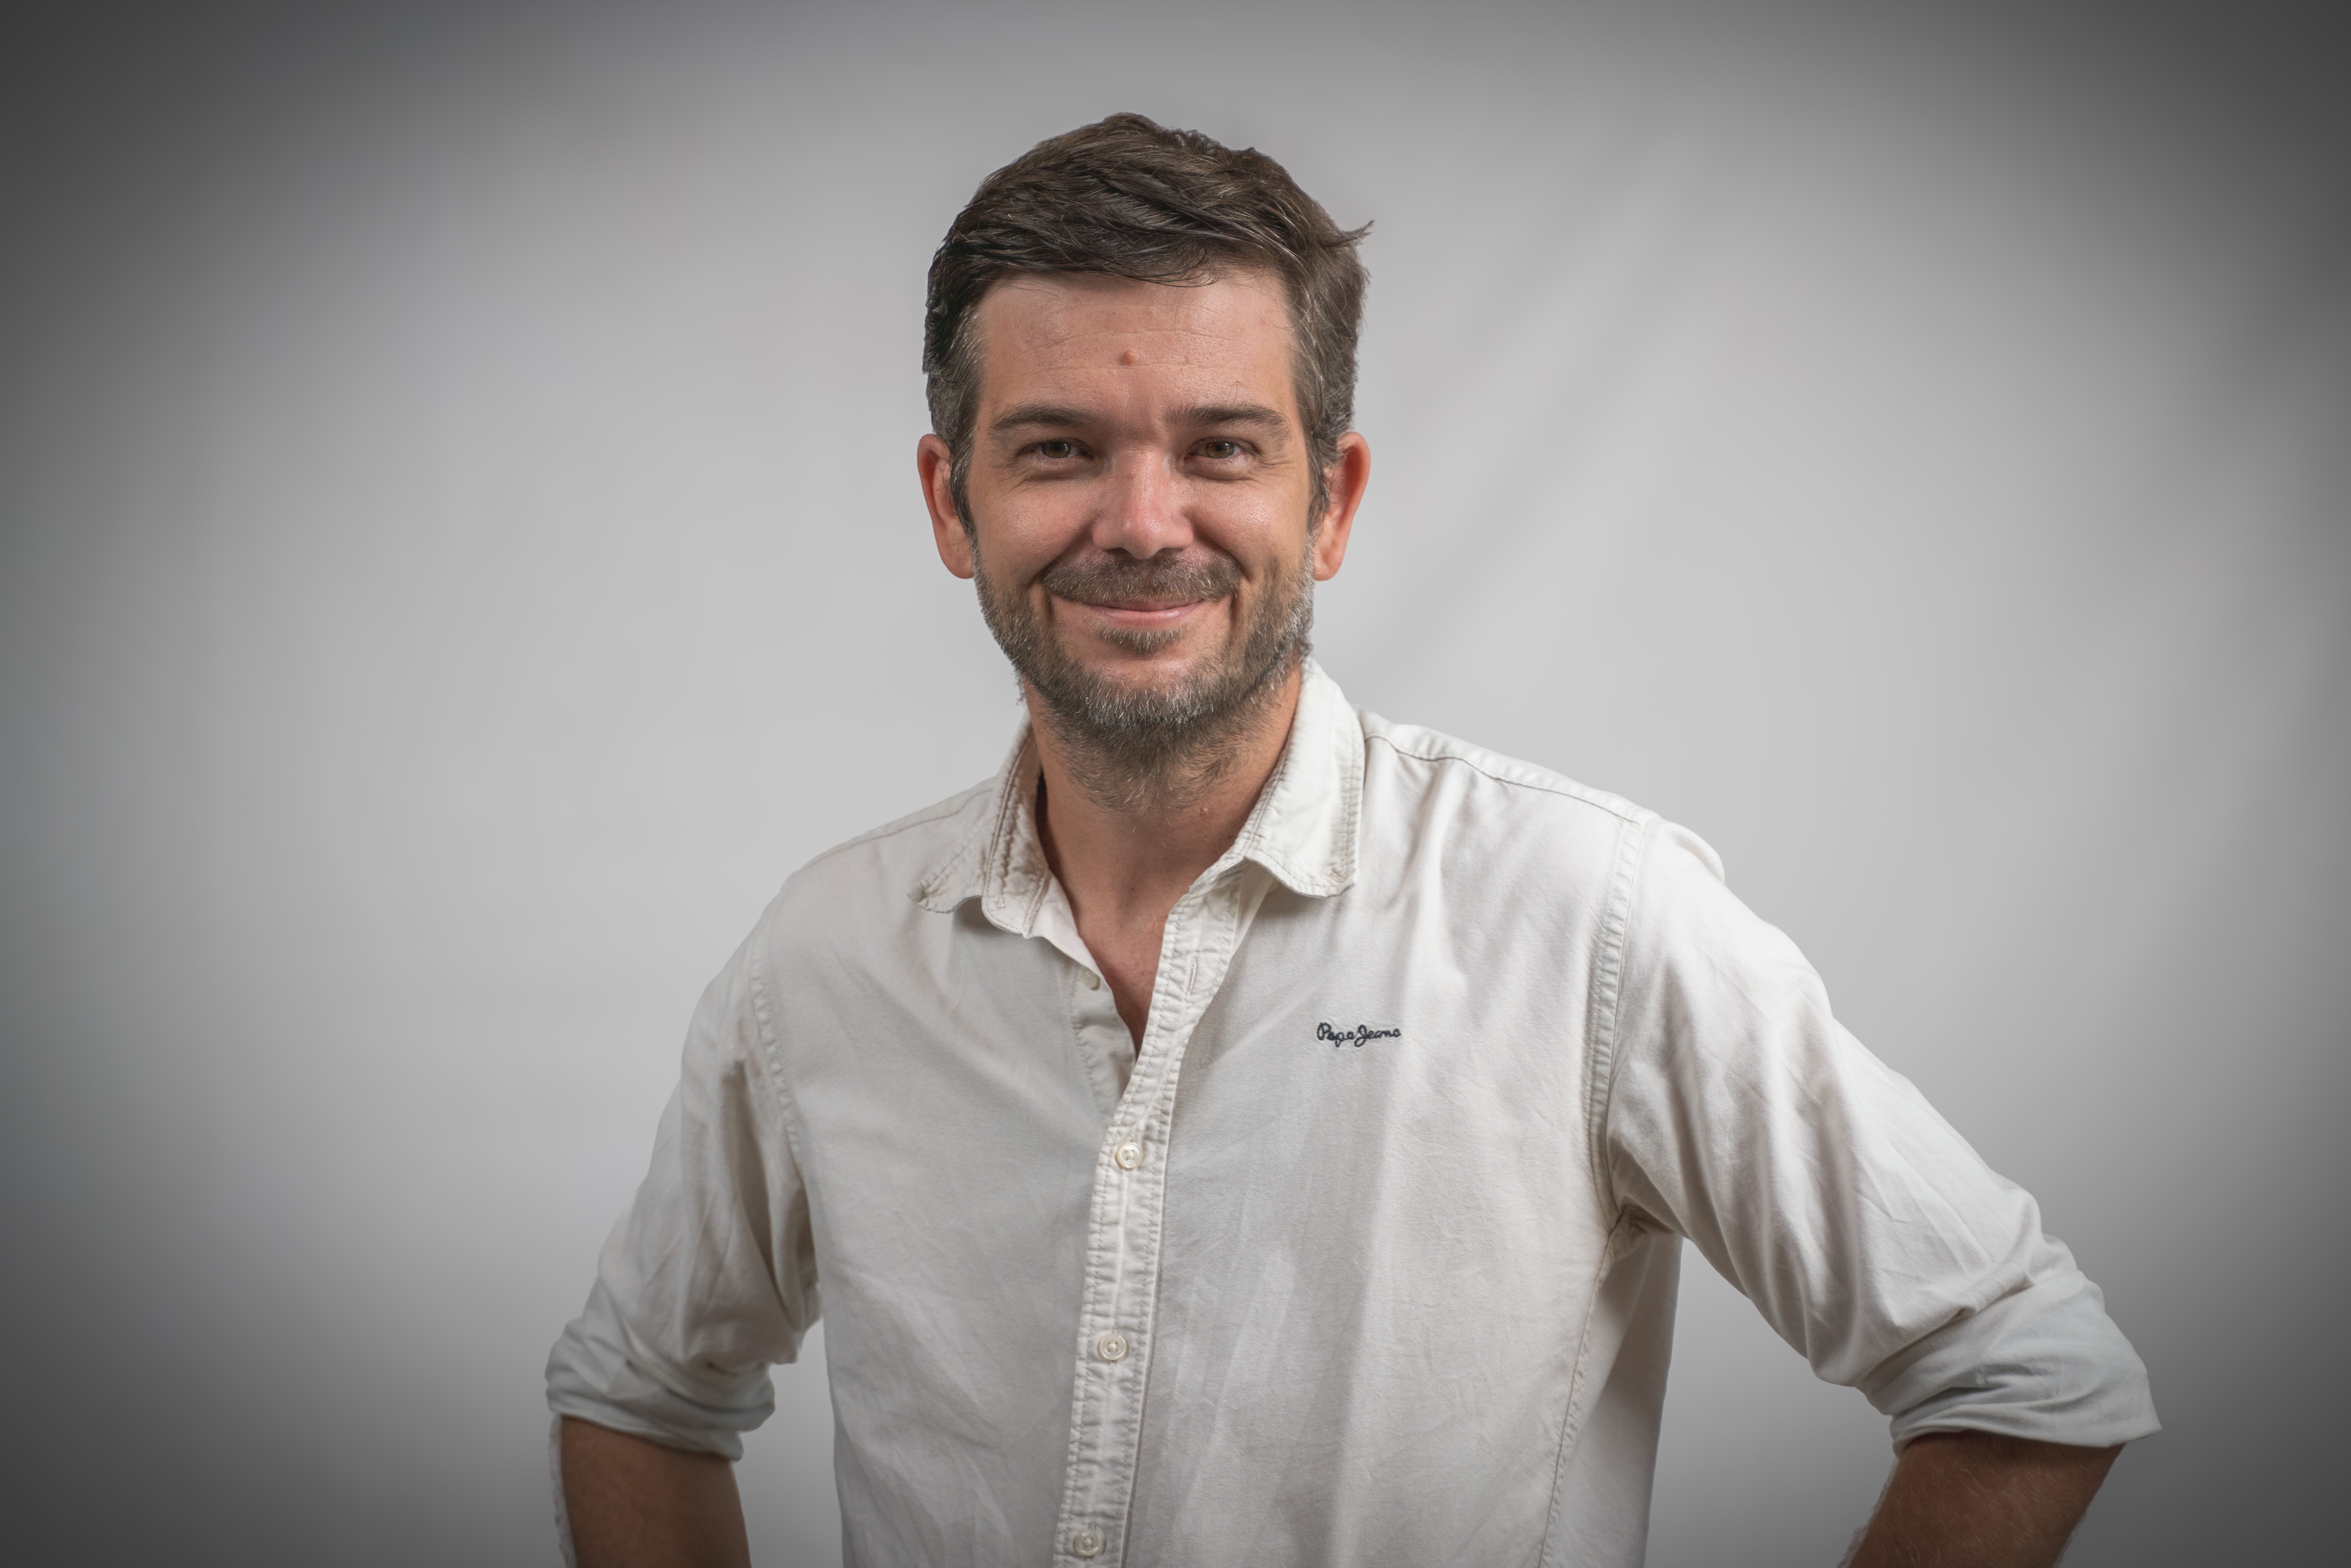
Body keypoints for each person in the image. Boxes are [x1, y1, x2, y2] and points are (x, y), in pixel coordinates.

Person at [546, 114, 2157, 1568]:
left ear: (1330, 501)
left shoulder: (1582, 918)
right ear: (949, 501)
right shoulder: (825, 957)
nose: (1142, 523)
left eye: (1220, 447)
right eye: (1057, 449)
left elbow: (2019, 1366)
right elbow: (636, 1396)